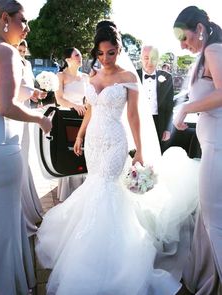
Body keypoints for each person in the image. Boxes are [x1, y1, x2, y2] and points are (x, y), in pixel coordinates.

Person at [34, 20, 203, 295]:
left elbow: (135, 116)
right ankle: (88, 245)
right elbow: (90, 109)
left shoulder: (127, 77)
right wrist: (79, 136)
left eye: (110, 52)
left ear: (118, 49)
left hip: (115, 141)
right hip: (93, 143)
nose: (105, 58)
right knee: (94, 187)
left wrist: (139, 151)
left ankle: (112, 259)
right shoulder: (93, 75)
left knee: (109, 191)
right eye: (100, 54)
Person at [0, 1, 52, 294]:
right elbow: (5, 105)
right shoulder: (5, 51)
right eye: (23, 21)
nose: (27, 28)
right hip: (0, 147)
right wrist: (39, 118)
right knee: (4, 229)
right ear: (4, 19)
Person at [173, 6, 222, 294]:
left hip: (217, 149)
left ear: (199, 29)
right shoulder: (209, 52)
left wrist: (187, 108)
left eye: (184, 37)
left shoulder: (214, 50)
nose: (182, 45)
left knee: (214, 219)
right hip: (213, 145)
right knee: (210, 215)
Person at [17, 39, 47, 236]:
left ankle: (30, 203)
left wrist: (34, 96)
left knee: (25, 156)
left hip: (26, 108)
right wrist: (31, 93)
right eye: (18, 48)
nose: (20, 51)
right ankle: (21, 207)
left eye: (23, 49)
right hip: (14, 111)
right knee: (18, 157)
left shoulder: (27, 64)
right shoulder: (8, 59)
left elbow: (25, 87)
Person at [55, 47, 88, 201]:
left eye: (80, 55)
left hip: (83, 117)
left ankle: (82, 188)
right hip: (66, 116)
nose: (80, 58)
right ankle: (67, 189)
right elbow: (59, 99)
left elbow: (88, 99)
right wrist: (74, 106)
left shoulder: (86, 77)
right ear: (68, 59)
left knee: (81, 149)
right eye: (76, 55)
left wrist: (87, 106)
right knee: (68, 150)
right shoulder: (60, 76)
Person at [137, 45, 174, 153]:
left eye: (153, 58)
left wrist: (168, 129)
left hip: (159, 122)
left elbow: (169, 105)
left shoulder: (167, 77)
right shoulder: (132, 76)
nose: (150, 62)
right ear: (141, 58)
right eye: (146, 58)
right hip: (137, 121)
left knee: (156, 153)